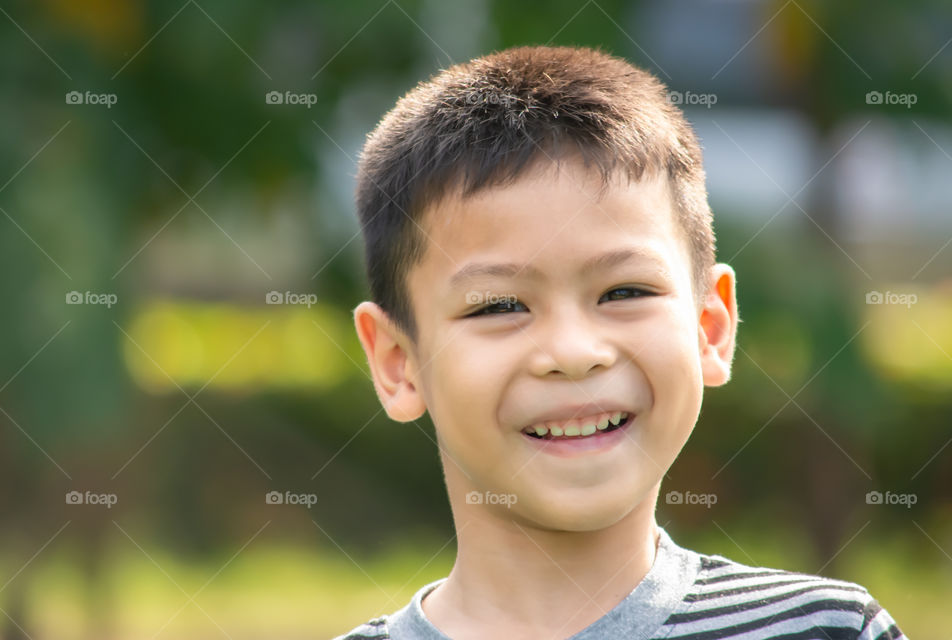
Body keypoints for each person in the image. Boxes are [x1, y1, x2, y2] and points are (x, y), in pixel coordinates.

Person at [337, 45, 906, 639]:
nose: (575, 352)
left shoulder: (825, 630)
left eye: (625, 291)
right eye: (501, 305)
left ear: (710, 325)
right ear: (398, 364)